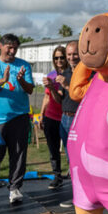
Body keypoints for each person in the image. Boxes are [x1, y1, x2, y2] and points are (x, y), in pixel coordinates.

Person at [0, 34, 35, 205]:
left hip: (19, 116)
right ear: (1, 46)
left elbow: (30, 89)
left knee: (18, 153)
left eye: (15, 48)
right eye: (9, 47)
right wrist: (3, 80)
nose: (12, 51)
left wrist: (20, 80)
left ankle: (15, 188)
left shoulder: (23, 65)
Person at [55, 40, 89, 208]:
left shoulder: (88, 72)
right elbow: (60, 99)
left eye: (74, 54)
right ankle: (77, 195)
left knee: (83, 159)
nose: (71, 57)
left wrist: (67, 85)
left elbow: (87, 96)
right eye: (68, 54)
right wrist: (53, 88)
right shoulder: (66, 72)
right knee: (72, 161)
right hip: (65, 118)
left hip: (80, 118)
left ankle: (87, 195)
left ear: (81, 53)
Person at [41, 46, 67, 190]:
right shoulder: (51, 75)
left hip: (66, 117)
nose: (59, 60)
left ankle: (74, 174)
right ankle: (57, 176)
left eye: (61, 57)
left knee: (70, 149)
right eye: (56, 58)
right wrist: (42, 115)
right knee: (53, 149)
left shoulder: (70, 75)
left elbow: (61, 99)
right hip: (51, 116)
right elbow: (46, 97)